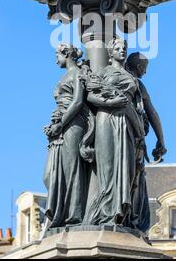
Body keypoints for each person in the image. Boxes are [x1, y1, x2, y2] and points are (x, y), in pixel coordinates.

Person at [83, 38, 147, 230]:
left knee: (126, 169)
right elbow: (90, 96)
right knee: (107, 167)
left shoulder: (132, 78)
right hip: (106, 118)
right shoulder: (103, 72)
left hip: (127, 122)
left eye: (124, 48)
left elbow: (146, 108)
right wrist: (110, 103)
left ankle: (119, 213)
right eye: (117, 48)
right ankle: (103, 213)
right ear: (110, 53)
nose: (122, 51)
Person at [43, 44, 94, 229]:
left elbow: (78, 101)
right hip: (63, 125)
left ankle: (74, 215)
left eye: (57, 54)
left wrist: (60, 123)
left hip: (73, 125)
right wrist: (53, 125)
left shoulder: (77, 73)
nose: (56, 58)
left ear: (66, 54)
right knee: (51, 174)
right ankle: (62, 212)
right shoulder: (66, 75)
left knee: (72, 168)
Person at [125, 52, 167, 161]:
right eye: (144, 68)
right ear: (138, 67)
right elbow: (152, 113)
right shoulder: (137, 84)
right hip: (131, 134)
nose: (145, 72)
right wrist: (161, 139)